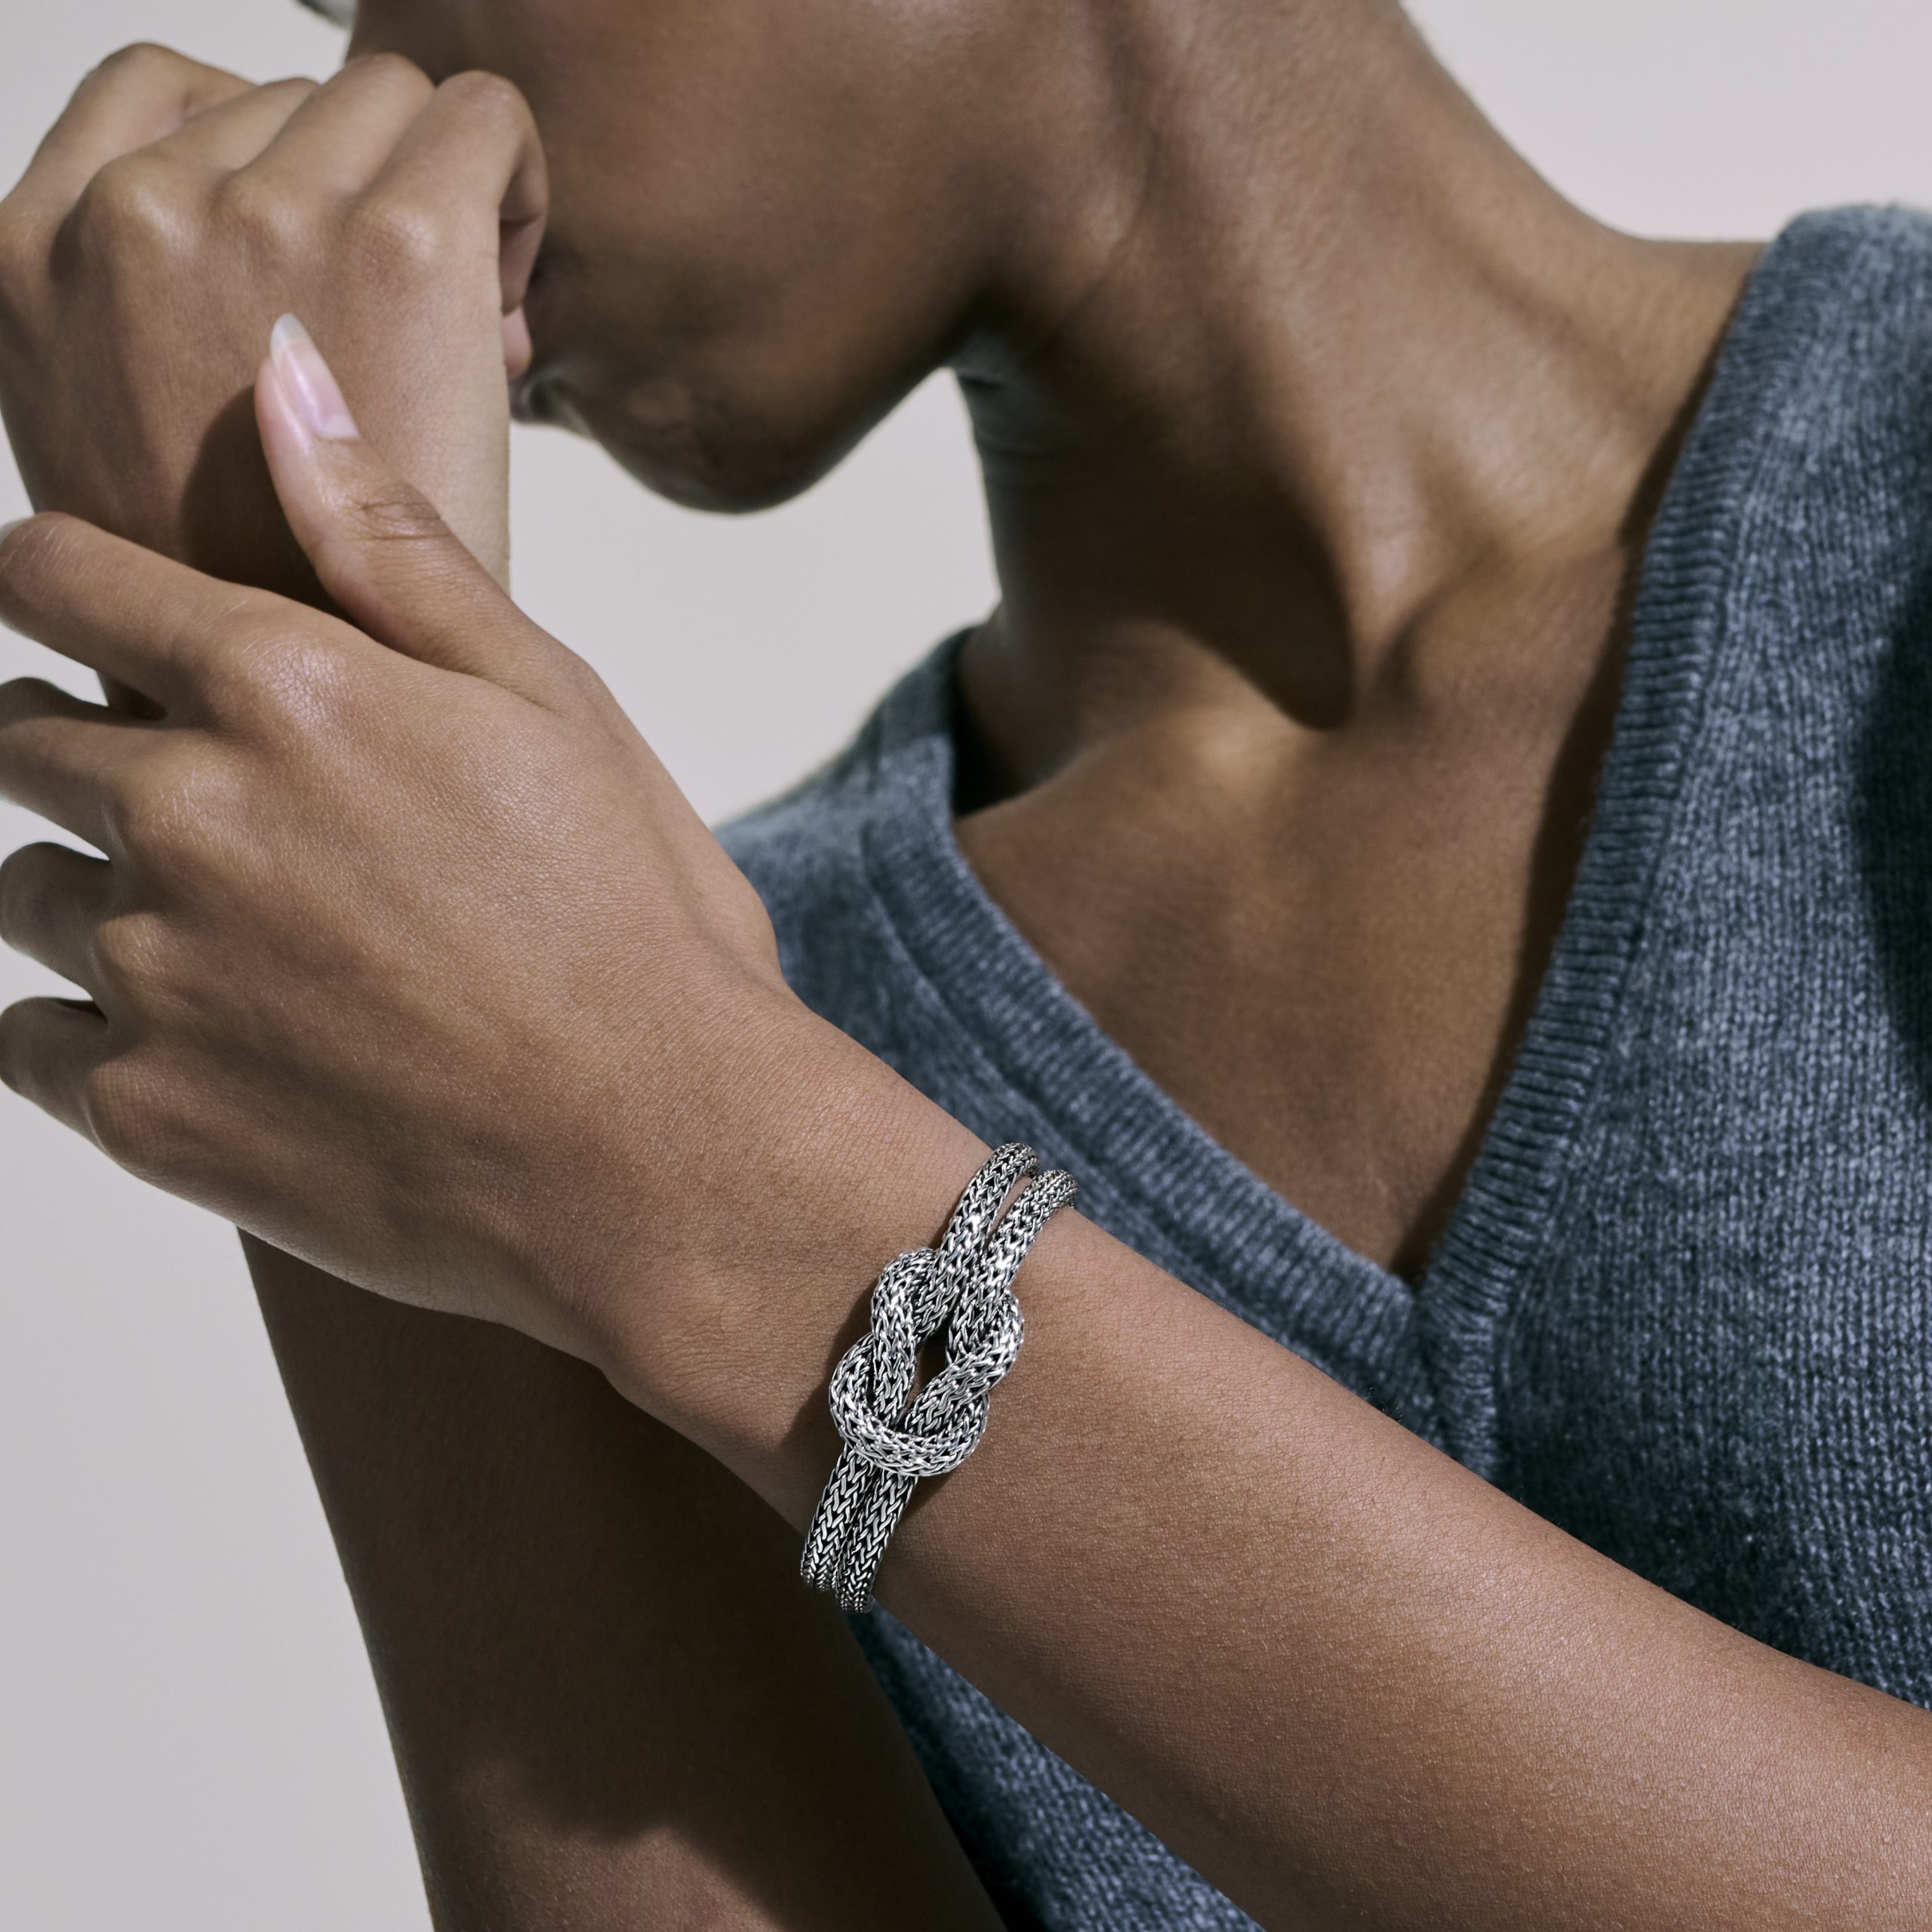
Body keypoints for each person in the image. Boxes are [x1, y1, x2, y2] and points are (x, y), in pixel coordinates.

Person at [0, 1, 1927, 1925]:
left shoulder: (644, 1063)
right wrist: (281, 697)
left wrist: (681, 1167)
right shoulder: (638, 984)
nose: (376, 89)